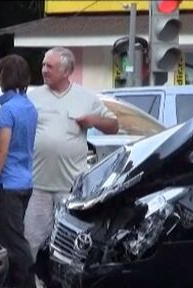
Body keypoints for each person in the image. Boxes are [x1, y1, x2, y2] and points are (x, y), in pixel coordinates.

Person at [24, 47, 118, 261]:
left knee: (69, 242)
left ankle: (63, 287)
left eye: (50, 66)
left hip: (72, 188)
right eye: (43, 65)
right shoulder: (33, 96)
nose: (44, 70)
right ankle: (31, 287)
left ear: (66, 72)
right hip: (39, 186)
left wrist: (93, 121)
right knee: (31, 240)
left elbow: (113, 125)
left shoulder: (86, 97)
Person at [0, 54, 39, 288]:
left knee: (15, 242)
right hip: (25, 180)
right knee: (15, 238)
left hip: (9, 183)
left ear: (1, 76)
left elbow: (2, 148)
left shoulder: (7, 110)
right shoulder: (28, 106)